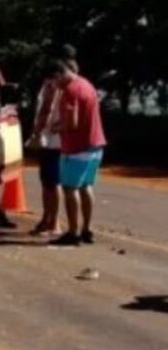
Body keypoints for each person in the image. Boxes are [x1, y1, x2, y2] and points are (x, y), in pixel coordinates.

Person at [47, 56, 107, 246]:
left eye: (53, 81)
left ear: (59, 75)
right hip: (95, 145)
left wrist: (55, 128)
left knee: (69, 189)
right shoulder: (86, 84)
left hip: (77, 148)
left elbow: (72, 123)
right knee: (86, 187)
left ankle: (73, 233)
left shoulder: (70, 91)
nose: (54, 86)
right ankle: (86, 229)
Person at [29, 54, 79, 236]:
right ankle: (46, 217)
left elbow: (47, 111)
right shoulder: (47, 86)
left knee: (53, 183)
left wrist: (37, 133)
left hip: (55, 142)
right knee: (46, 183)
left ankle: (54, 222)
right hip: (46, 140)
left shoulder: (59, 89)